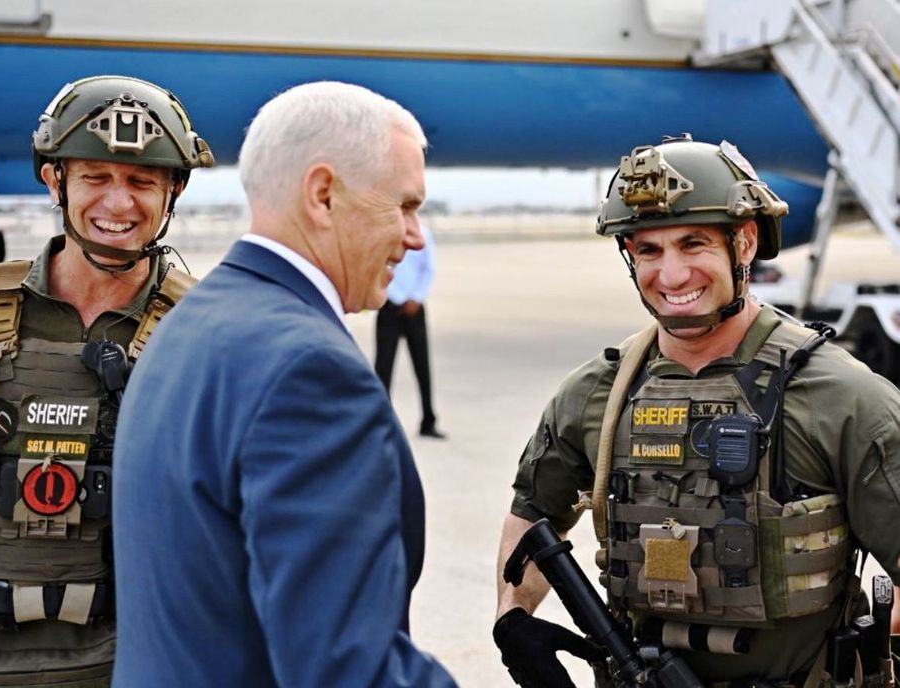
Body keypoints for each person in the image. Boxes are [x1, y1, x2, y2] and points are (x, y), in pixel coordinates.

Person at [493, 135, 900, 687]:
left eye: (694, 244)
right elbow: (532, 515)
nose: (672, 275)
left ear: (746, 243)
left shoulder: (842, 396)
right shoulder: (596, 395)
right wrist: (513, 617)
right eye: (649, 251)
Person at [111, 81, 457, 688]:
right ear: (324, 195)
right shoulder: (311, 372)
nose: (415, 235)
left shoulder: (191, 321)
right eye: (403, 205)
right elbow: (347, 667)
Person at [0, 74, 214, 687]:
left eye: (143, 181)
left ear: (173, 189)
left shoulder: (206, 333)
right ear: (54, 179)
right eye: (95, 177)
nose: (118, 205)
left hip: (143, 667)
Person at [374, 224, 446, 439]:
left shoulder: (422, 233)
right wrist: (396, 297)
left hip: (415, 307)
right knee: (383, 367)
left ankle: (428, 420)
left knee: (422, 365)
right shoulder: (384, 231)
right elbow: (378, 266)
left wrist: (415, 297)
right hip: (389, 305)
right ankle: (379, 423)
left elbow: (429, 268)